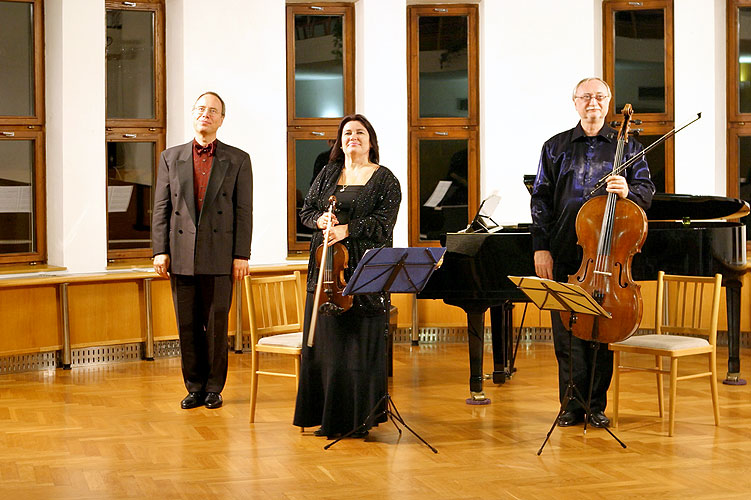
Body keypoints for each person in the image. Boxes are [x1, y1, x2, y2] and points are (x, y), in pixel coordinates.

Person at [530, 77, 655, 428]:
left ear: (608, 102)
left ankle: (596, 405)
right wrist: (541, 247)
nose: (593, 103)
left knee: (602, 332)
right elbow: (540, 199)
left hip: (609, 254)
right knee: (566, 332)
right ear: (574, 102)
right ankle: (570, 406)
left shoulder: (627, 147)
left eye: (599, 97)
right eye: (586, 97)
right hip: (565, 252)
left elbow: (648, 189)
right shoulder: (554, 147)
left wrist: (629, 189)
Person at [293, 114, 401, 438]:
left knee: (356, 350)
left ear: (371, 141)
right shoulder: (327, 173)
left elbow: (384, 225)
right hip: (325, 274)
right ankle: (327, 418)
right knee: (327, 351)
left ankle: (357, 420)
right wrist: (320, 222)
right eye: (347, 133)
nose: (353, 137)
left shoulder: (386, 180)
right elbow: (307, 211)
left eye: (360, 132)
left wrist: (347, 230)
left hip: (363, 278)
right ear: (340, 142)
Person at [152, 91, 253, 410]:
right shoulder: (170, 157)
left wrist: (242, 255)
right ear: (193, 115)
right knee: (187, 325)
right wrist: (160, 250)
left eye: (213, 111)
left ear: (222, 119)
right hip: (180, 254)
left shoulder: (238, 159)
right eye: (200, 109)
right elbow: (161, 208)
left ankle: (214, 387)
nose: (205, 114)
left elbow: (243, 211)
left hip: (222, 255)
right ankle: (194, 386)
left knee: (216, 325)